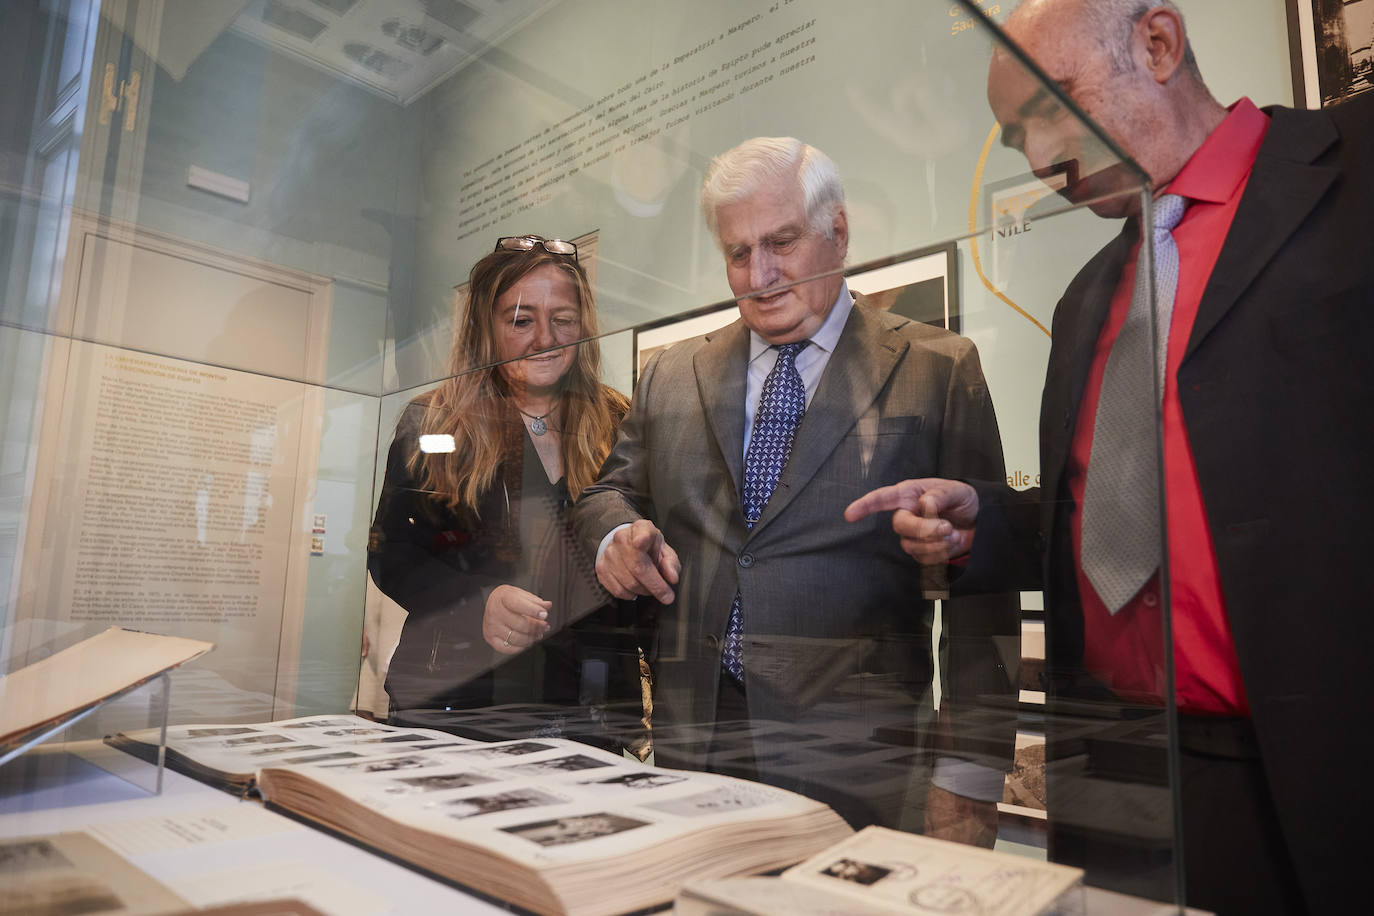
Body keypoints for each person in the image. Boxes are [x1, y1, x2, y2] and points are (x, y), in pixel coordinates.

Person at [846, 2, 1374, 913]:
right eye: (1016, 139)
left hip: (1331, 761)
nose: (1043, 159)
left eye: (1055, 108)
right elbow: (1106, 511)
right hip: (1128, 772)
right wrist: (987, 524)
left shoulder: (1355, 172)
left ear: (1157, 45)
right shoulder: (1090, 295)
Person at [569, 137, 1018, 835]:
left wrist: (968, 780)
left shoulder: (937, 368)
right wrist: (615, 536)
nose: (761, 274)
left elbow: (982, 602)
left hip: (859, 763)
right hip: (694, 750)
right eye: (739, 253)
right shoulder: (672, 374)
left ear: (836, 233)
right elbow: (606, 494)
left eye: (782, 242)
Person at [367, 235, 643, 750]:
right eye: (520, 320)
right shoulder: (434, 421)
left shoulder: (619, 420)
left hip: (584, 715)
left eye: (563, 319)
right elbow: (390, 555)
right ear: (484, 329)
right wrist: (477, 604)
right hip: (455, 705)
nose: (546, 338)